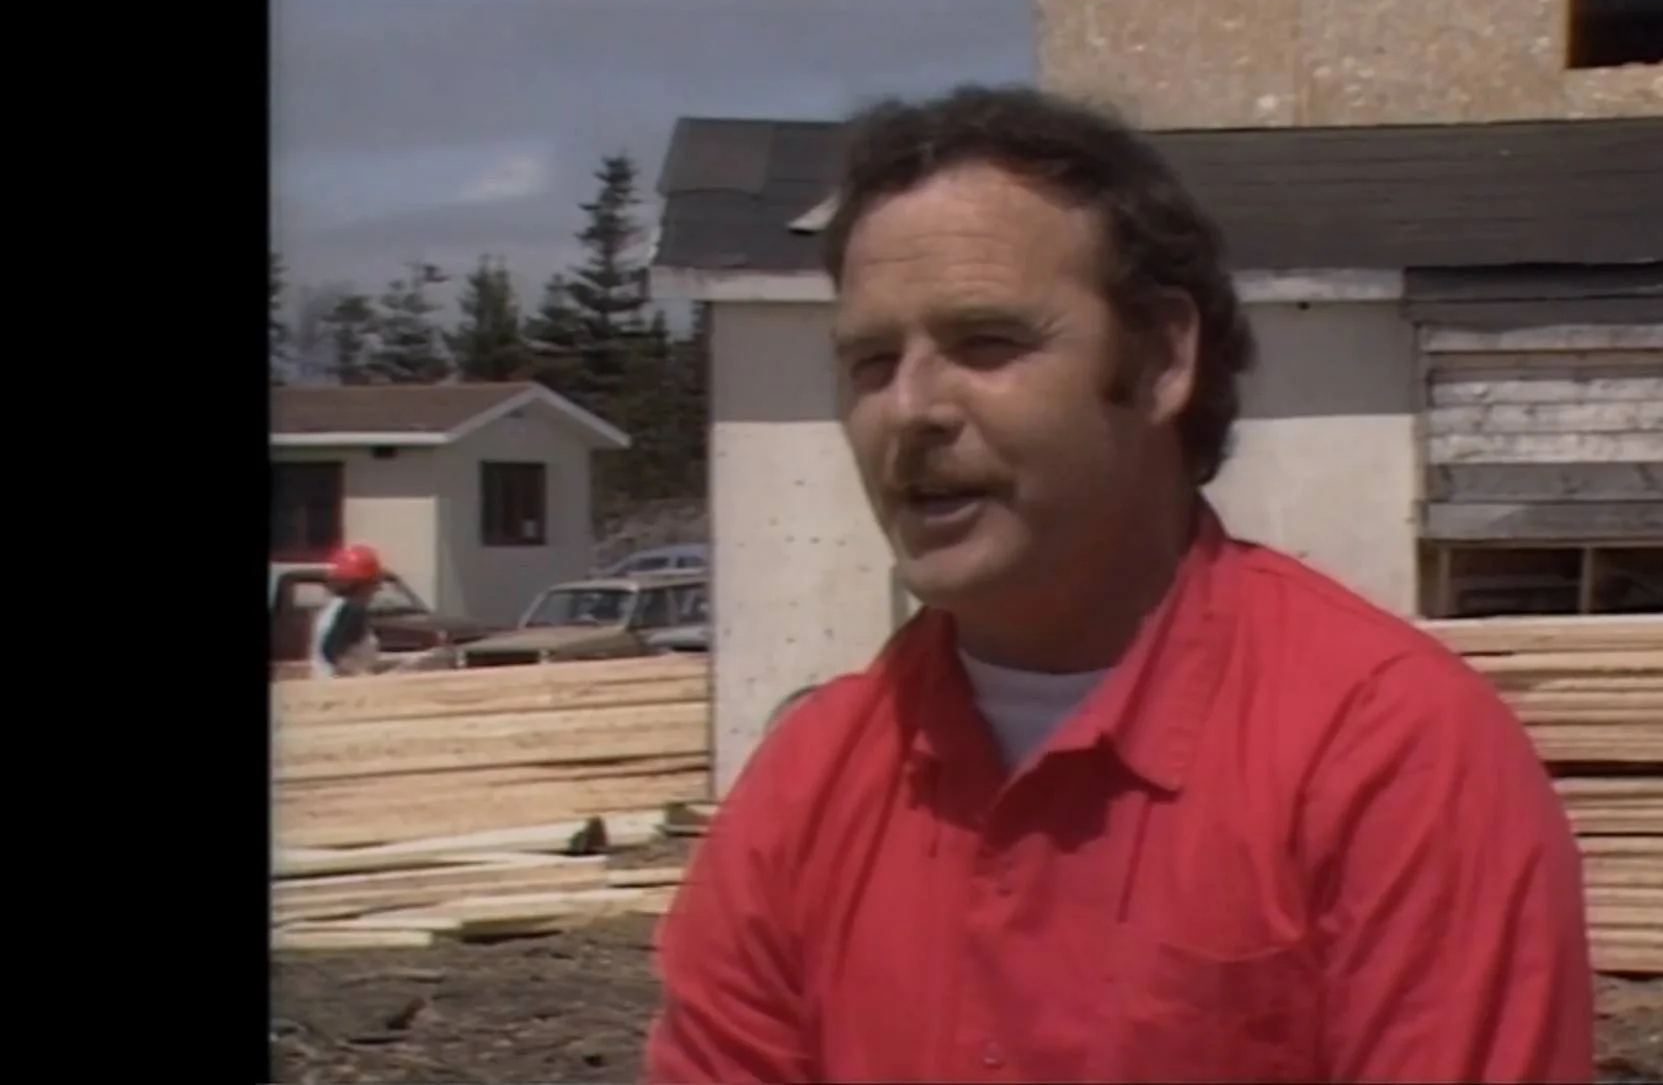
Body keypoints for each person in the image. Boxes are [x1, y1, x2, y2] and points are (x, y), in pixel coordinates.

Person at [645, 86, 1595, 1083]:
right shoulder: (805, 791)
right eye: (873, 363)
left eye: (987, 344)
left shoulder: (1392, 760)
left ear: (1160, 360)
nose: (912, 409)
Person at [309, 543, 385, 679]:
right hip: (343, 690)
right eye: (375, 583)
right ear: (364, 584)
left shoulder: (332, 608)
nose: (376, 589)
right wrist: (361, 675)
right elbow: (331, 652)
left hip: (324, 685)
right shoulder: (353, 610)